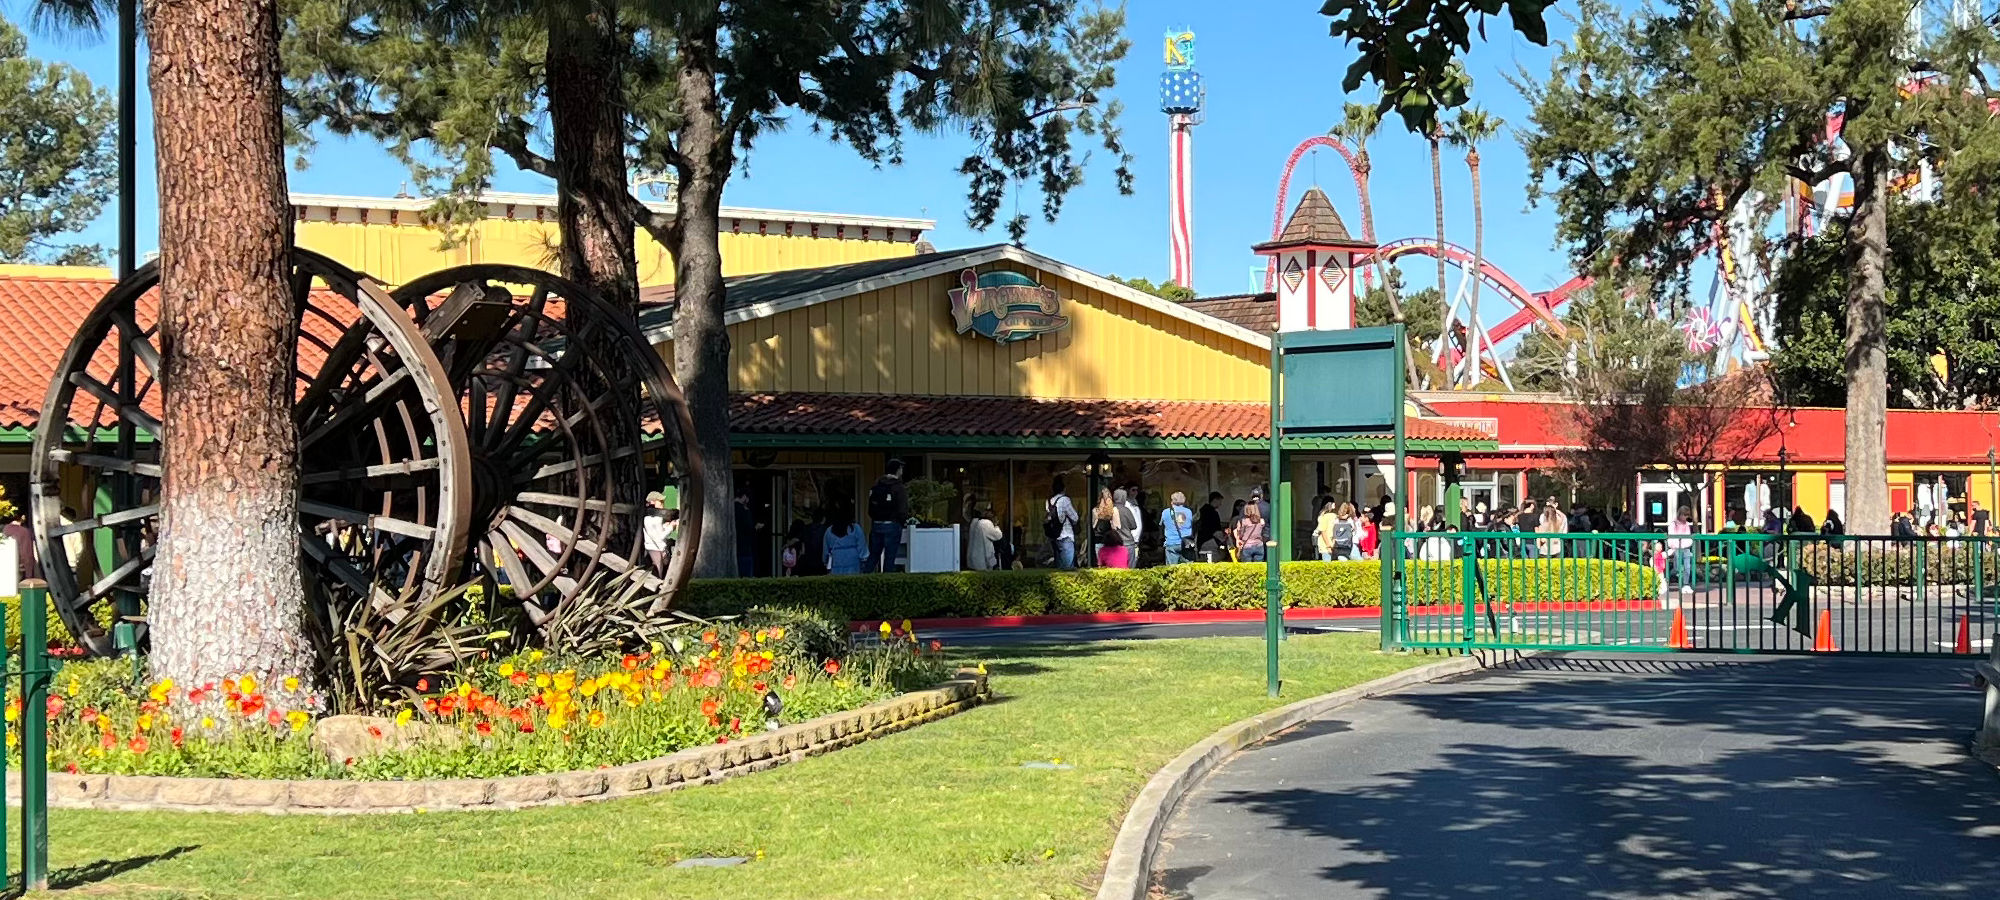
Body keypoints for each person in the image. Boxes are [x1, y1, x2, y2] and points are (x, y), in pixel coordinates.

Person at [865, 459, 910, 573]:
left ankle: (865, 579)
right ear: (898, 470)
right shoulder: (898, 487)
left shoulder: (876, 486)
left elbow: (870, 510)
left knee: (873, 556)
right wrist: (901, 521)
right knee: (890, 558)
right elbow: (903, 510)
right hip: (892, 525)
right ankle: (887, 583)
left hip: (876, 524)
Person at [1044, 478, 1080, 569]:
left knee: (1059, 568)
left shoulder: (1049, 501)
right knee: (1067, 569)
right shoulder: (1065, 500)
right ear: (1063, 488)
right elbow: (1075, 517)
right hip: (1065, 535)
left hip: (1054, 536)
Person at [1092, 489, 1130, 568]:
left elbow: (1093, 526)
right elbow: (1117, 526)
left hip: (1098, 540)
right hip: (1110, 541)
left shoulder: (1095, 510)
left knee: (1101, 565)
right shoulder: (1114, 510)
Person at [1160, 491, 1197, 565]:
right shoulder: (1189, 512)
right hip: (1186, 543)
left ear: (1172, 501)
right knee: (1188, 569)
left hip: (1171, 543)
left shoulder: (1165, 512)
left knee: (1172, 570)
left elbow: (1161, 525)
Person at [643, 491, 672, 577]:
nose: (663, 503)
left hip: (655, 548)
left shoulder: (648, 518)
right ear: (653, 502)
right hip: (655, 549)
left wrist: (665, 526)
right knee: (659, 574)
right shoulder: (653, 519)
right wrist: (671, 527)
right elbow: (660, 537)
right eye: (661, 501)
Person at [1667, 507, 1695, 594]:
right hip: (1676, 548)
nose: (1685, 517)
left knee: (1687, 567)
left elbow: (1688, 536)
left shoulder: (1686, 524)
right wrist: (1676, 545)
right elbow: (1671, 537)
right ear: (1680, 514)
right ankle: (1668, 577)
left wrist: (1685, 544)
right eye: (1684, 515)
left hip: (1685, 548)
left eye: (1687, 515)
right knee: (1678, 567)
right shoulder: (1673, 524)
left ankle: (1686, 584)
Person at [965, 506, 1003, 571]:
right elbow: (997, 535)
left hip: (971, 558)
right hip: (981, 560)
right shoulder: (986, 524)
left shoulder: (974, 522)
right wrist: (996, 525)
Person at [734, 489, 759, 578]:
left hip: (734, 545)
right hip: (744, 547)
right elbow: (748, 528)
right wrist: (755, 528)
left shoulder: (730, 508)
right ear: (744, 497)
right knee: (746, 574)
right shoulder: (744, 510)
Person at [1116, 488, 1143, 567]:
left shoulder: (1135, 504)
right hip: (1128, 539)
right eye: (1133, 490)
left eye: (1137, 490)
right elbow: (1133, 525)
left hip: (1133, 540)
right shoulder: (1126, 508)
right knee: (1129, 565)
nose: (1135, 492)